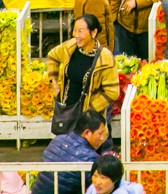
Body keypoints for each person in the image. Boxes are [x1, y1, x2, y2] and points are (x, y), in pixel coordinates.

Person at [46, 14, 120, 145]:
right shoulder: (70, 47)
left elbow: (113, 92)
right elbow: (52, 55)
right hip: (68, 111)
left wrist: (89, 110)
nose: (76, 35)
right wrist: (55, 84)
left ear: (93, 32)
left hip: (89, 122)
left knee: (85, 154)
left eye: (80, 31)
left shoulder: (105, 58)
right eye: (75, 30)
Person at [30, 111, 109, 194]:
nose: (102, 138)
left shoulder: (57, 140)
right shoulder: (91, 158)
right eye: (100, 133)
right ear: (87, 133)